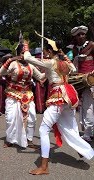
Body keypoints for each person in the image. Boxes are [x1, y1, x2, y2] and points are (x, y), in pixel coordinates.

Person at [24, 36, 94, 175]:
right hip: (68, 95)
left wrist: (25, 46)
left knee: (44, 130)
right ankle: (83, 151)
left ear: (50, 51)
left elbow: (28, 58)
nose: (44, 53)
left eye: (45, 51)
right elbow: (73, 68)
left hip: (58, 96)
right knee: (71, 127)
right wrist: (63, 55)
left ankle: (44, 167)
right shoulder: (66, 63)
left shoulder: (51, 62)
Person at [0, 44, 45, 148]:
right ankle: (10, 139)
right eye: (23, 53)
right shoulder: (13, 63)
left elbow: (40, 77)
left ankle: (29, 139)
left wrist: (50, 69)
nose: (25, 55)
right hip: (13, 93)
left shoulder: (31, 65)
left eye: (27, 53)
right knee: (11, 117)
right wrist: (11, 59)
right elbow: (1, 72)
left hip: (28, 94)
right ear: (19, 54)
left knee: (32, 117)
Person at [71, 25, 94, 142]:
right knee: (83, 107)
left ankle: (88, 133)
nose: (81, 36)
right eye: (78, 35)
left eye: (83, 34)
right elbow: (74, 65)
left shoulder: (92, 45)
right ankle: (87, 131)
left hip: (91, 80)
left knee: (89, 107)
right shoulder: (75, 48)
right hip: (80, 81)